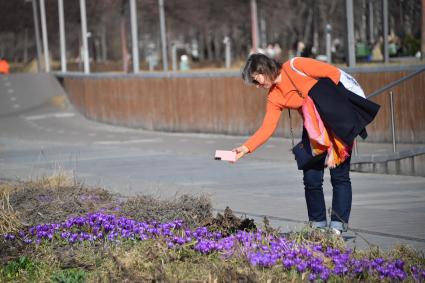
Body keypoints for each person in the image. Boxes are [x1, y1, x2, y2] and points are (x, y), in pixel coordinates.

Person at [232, 53, 380, 235]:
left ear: (263, 69)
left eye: (256, 80)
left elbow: (333, 73)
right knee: (311, 178)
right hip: (313, 131)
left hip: (337, 124)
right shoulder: (274, 96)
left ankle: (337, 227)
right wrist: (245, 148)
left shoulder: (296, 65)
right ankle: (317, 225)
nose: (257, 86)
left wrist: (329, 106)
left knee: (339, 177)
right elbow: (267, 128)